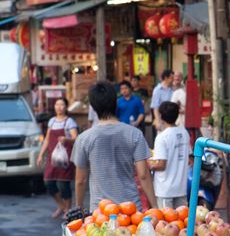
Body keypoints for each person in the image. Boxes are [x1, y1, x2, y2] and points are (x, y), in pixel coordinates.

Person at [71, 81, 157, 211]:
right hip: (131, 211)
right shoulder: (135, 134)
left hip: (101, 212)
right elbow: (143, 174)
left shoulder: (84, 138)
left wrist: (79, 207)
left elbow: (80, 180)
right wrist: (155, 206)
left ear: (93, 108)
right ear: (115, 103)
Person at [37, 97, 78, 218]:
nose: (59, 107)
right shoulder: (52, 122)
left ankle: (68, 210)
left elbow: (76, 138)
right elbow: (47, 140)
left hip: (65, 157)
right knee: (48, 182)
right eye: (57, 104)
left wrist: (67, 139)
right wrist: (40, 155)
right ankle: (61, 205)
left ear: (66, 107)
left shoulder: (70, 122)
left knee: (64, 184)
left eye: (61, 105)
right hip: (52, 157)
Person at [149, 100, 190, 209]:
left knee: (166, 224)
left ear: (161, 116)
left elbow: (161, 165)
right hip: (181, 188)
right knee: (182, 222)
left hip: (165, 190)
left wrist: (148, 165)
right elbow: (190, 158)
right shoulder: (184, 133)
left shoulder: (162, 137)